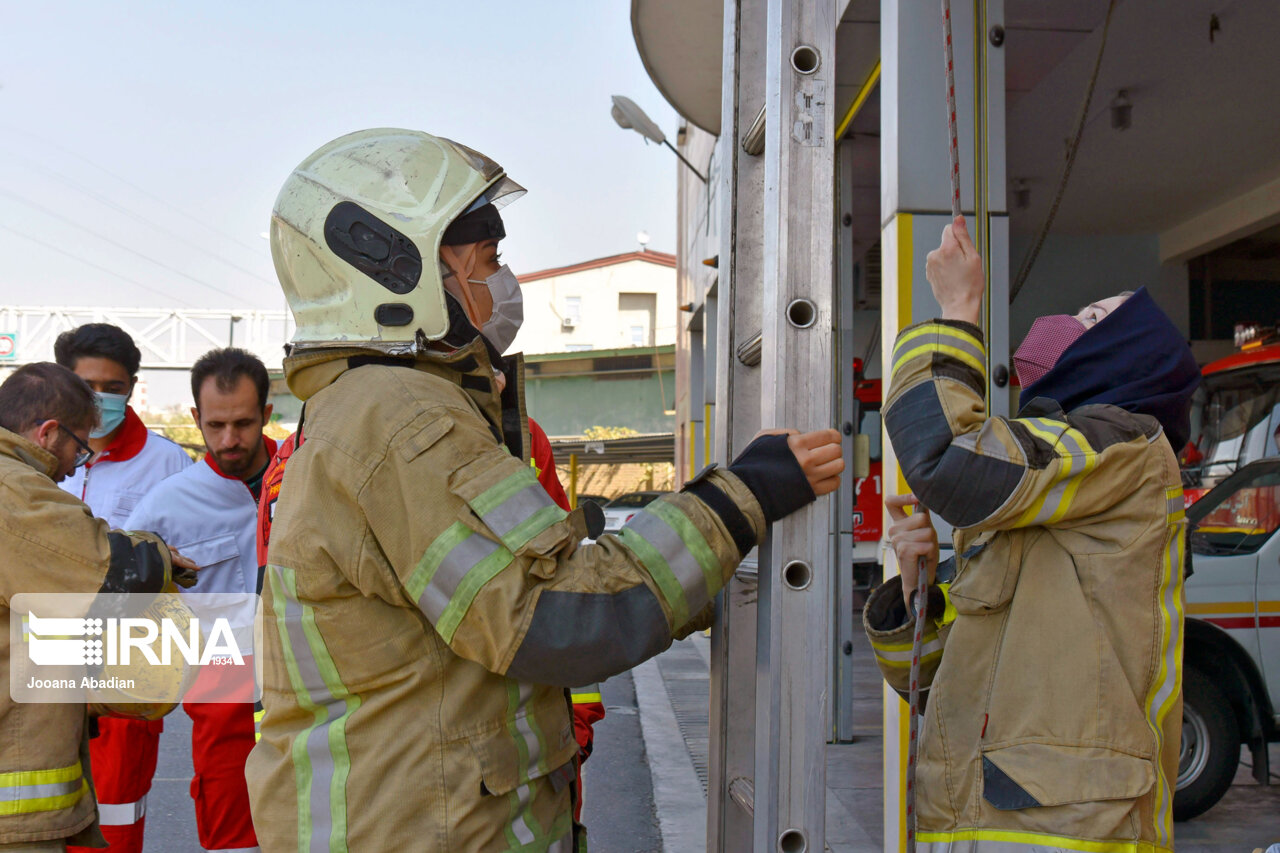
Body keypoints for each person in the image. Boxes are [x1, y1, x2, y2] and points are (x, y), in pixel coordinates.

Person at [246, 128, 844, 852]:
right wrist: (740, 497)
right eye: (489, 260)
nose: (504, 281)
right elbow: (553, 614)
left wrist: (705, 579)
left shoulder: (365, 408)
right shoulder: (399, 418)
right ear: (396, 269)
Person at [864, 216, 1200, 852]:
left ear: (1127, 354)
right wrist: (919, 594)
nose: (1070, 320)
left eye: (1094, 317)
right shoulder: (1047, 490)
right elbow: (936, 690)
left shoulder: (1125, 445)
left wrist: (958, 313)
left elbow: (945, 453)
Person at [0, 363, 195, 853]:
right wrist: (158, 556)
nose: (76, 464)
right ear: (47, 434)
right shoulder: (14, 491)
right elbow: (108, 574)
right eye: (78, 445)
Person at [123, 349, 274, 853]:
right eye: (216, 425)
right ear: (195, 419)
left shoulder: (310, 481)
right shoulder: (167, 506)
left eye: (244, 423)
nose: (230, 440)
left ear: (267, 415)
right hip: (222, 702)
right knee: (233, 838)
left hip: (316, 697)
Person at [55, 323, 192, 853]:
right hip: (38, 659)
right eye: (88, 386)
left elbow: (186, 570)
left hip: (122, 666)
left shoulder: (168, 464)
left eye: (114, 388)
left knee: (114, 819)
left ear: (133, 387)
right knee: (35, 813)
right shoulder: (33, 457)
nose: (102, 399)